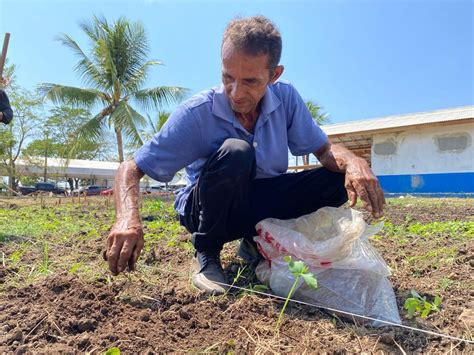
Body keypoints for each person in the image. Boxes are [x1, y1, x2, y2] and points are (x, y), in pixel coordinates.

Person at [105, 16, 385, 294]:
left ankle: (257, 241)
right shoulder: (197, 113)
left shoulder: (285, 98)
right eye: (228, 77)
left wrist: (354, 161)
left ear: (274, 75)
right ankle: (207, 254)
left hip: (254, 200)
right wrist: (127, 219)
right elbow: (131, 167)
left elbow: (324, 150)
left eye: (250, 82)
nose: (235, 93)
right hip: (204, 209)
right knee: (236, 152)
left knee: (334, 179)